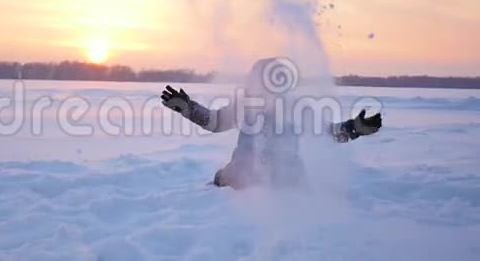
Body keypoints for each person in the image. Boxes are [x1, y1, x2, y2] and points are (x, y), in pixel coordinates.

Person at [161, 58, 382, 189]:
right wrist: (189, 108)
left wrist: (355, 127)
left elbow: (329, 133)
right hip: (241, 177)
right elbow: (214, 122)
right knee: (224, 178)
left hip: (287, 179)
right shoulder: (245, 106)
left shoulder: (296, 109)